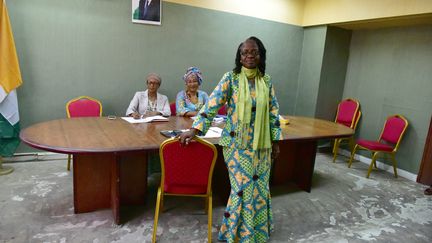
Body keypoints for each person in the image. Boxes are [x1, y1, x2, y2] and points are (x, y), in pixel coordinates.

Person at [179, 37, 282, 242]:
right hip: (236, 146)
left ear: (261, 55)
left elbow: (273, 112)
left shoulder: (266, 80)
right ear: (239, 56)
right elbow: (212, 105)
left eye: (254, 52)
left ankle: (257, 234)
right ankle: (237, 235)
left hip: (262, 147)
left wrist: (276, 141)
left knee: (260, 189)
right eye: (245, 52)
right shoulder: (231, 78)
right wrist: (195, 129)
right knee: (242, 190)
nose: (249, 56)